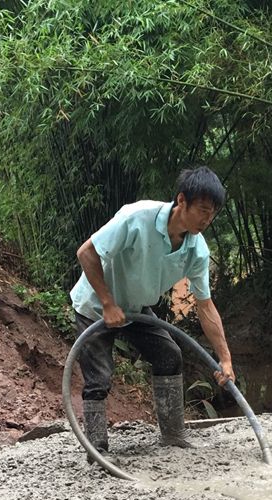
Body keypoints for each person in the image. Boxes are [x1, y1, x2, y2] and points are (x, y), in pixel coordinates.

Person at [70, 166, 236, 456]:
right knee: (99, 378)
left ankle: (173, 435)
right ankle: (97, 449)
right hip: (96, 304)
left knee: (169, 355)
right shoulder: (137, 217)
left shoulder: (197, 250)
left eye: (212, 215)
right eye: (203, 211)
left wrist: (225, 358)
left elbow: (205, 305)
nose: (207, 220)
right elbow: (86, 252)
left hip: (135, 308)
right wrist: (107, 302)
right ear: (182, 200)